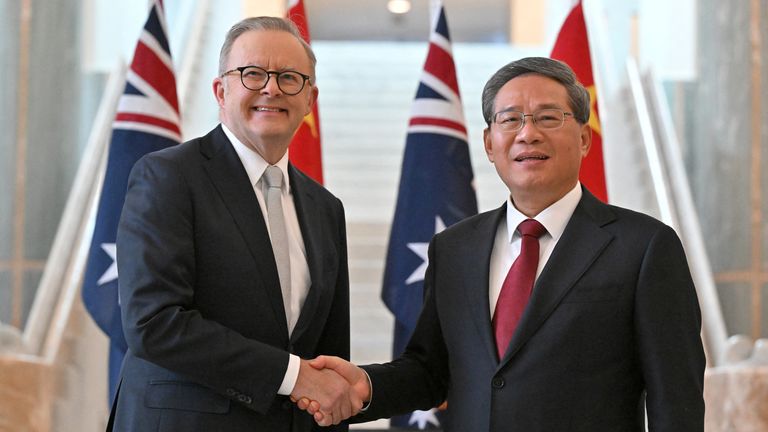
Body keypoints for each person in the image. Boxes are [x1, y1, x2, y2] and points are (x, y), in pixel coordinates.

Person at [301, 57, 705, 431]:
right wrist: (366, 386)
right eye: (510, 119)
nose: (528, 133)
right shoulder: (454, 248)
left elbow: (676, 399)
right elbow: (431, 371)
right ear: (490, 144)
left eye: (548, 117)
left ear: (584, 138)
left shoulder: (644, 247)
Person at [108, 17, 359, 432]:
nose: (272, 88)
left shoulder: (325, 208)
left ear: (310, 98)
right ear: (220, 91)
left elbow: (328, 358)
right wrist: (294, 376)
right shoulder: (169, 176)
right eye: (252, 73)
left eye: (289, 77)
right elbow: (153, 323)